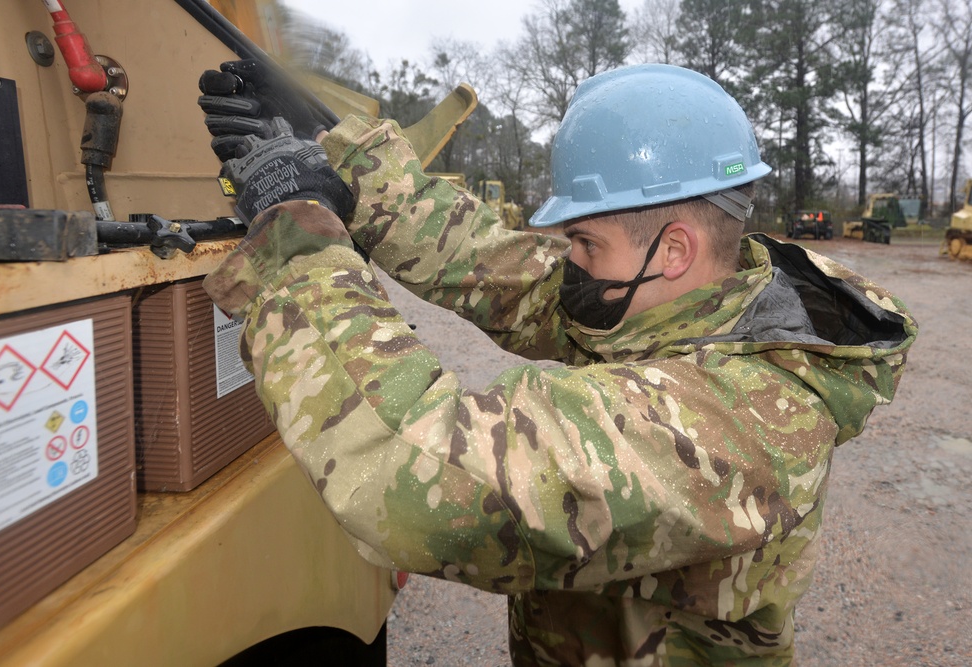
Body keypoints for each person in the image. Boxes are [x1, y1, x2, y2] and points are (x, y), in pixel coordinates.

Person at [196, 61, 917, 665]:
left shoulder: (736, 422)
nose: (566, 263)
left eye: (584, 242)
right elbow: (485, 258)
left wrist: (294, 229)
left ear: (673, 249)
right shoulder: (677, 303)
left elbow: (414, 476)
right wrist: (337, 154)